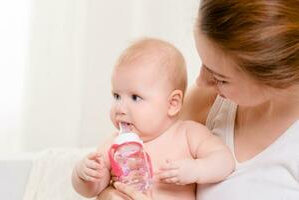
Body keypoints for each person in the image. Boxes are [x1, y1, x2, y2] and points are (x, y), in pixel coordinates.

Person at [97, 0, 299, 199]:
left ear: (274, 78)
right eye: (204, 63)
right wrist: (109, 193)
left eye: (220, 78)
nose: (200, 82)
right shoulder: (207, 102)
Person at [71, 38, 235, 199]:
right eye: (116, 96)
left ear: (172, 103)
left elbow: (225, 161)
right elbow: (90, 190)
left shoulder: (189, 134)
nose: (119, 108)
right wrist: (83, 175)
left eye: (135, 97)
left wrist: (197, 169)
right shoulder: (113, 146)